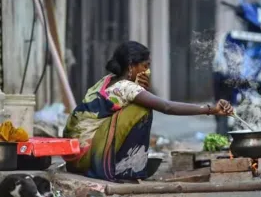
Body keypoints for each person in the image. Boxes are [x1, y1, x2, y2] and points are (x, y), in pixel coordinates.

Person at [63, 41, 234, 182]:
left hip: (73, 156)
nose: (148, 71)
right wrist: (211, 110)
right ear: (131, 66)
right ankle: (127, 170)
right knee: (143, 109)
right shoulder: (126, 87)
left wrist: (143, 89)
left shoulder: (107, 80)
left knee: (139, 105)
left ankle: (119, 165)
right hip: (86, 157)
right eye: (145, 66)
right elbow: (167, 107)